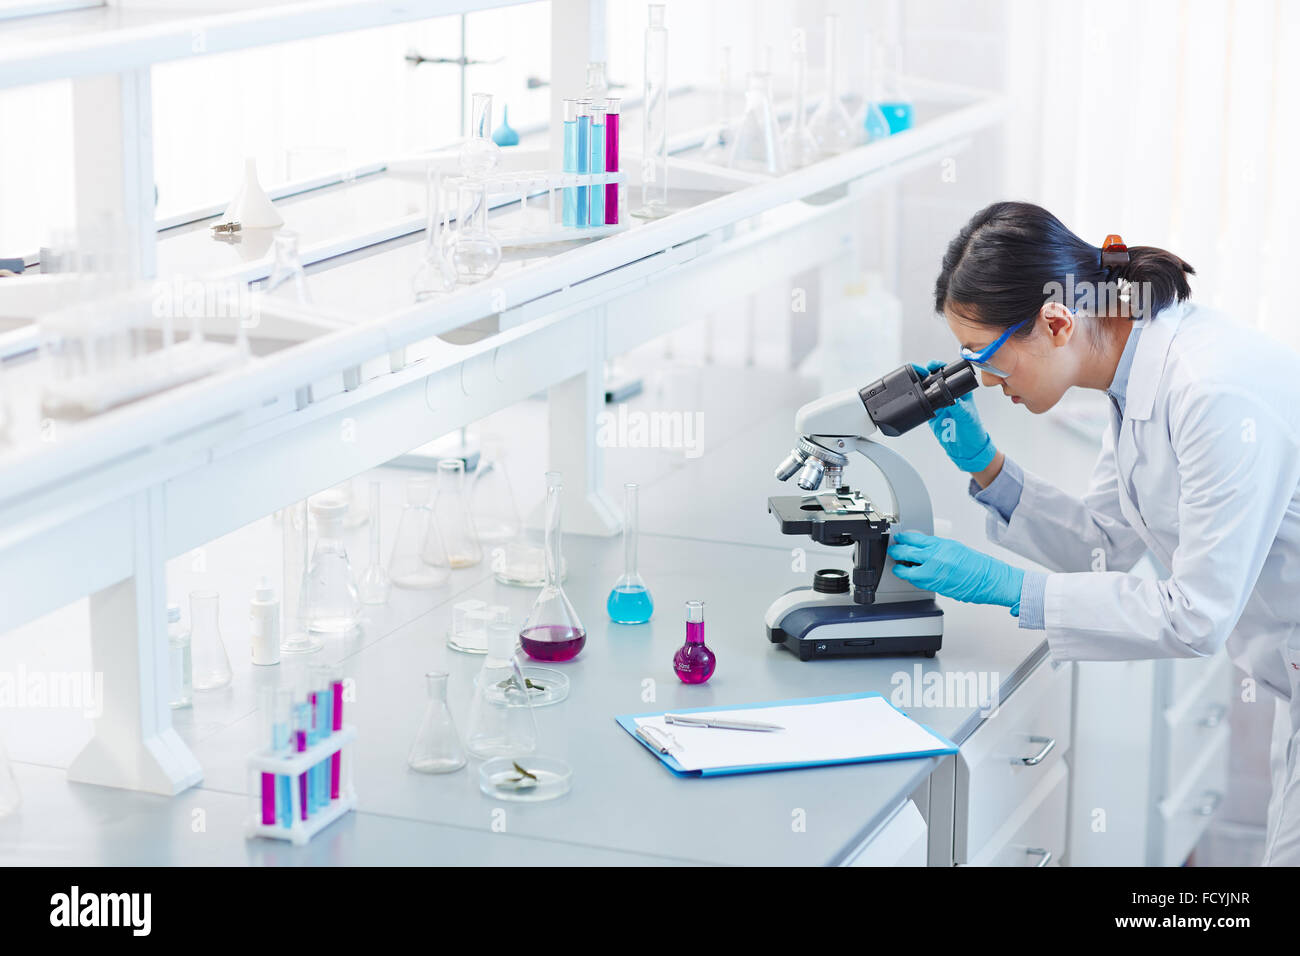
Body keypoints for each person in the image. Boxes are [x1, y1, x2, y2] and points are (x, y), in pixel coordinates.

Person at [888, 201, 1300, 866]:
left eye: (986, 359)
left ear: (1055, 321)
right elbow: (1102, 545)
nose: (986, 383)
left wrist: (1009, 587)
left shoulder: (1208, 392)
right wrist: (989, 469)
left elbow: (1195, 618)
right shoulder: (1131, 373)